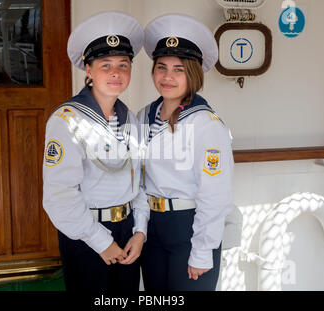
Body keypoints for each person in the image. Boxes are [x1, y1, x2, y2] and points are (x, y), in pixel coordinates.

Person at [42, 11, 149, 292]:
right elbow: (59, 196)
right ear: (88, 70)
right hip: (85, 234)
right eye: (106, 64)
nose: (116, 73)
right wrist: (102, 242)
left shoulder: (131, 120)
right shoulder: (67, 121)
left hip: (127, 231)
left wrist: (140, 231)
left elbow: (139, 183)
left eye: (123, 65)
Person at [139, 14, 234, 291]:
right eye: (161, 67)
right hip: (153, 228)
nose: (168, 76)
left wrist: (203, 250)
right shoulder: (145, 115)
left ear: (193, 74)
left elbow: (215, 195)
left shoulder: (205, 123)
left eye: (179, 69)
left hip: (189, 229)